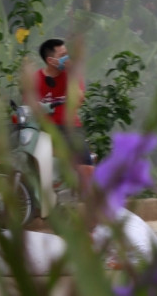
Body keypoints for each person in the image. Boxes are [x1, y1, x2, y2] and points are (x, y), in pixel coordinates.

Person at [34, 38, 95, 217]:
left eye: (67, 54)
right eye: (62, 55)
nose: (67, 58)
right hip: (44, 129)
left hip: (69, 127)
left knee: (86, 168)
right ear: (50, 60)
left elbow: (77, 101)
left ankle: (90, 210)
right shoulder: (36, 78)